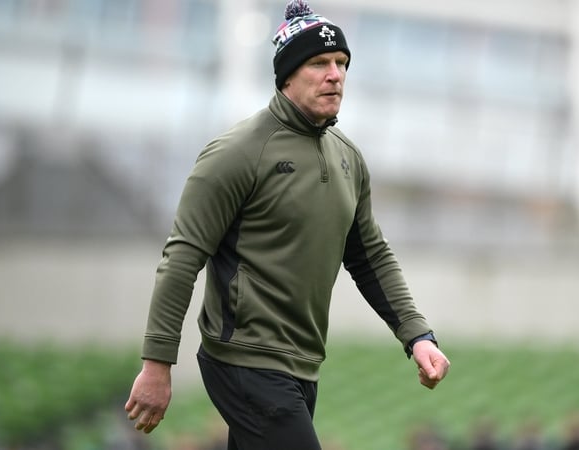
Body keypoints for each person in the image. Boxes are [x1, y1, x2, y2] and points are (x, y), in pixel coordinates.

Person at [123, 0, 451, 448]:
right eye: (319, 63)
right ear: (287, 76)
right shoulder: (236, 153)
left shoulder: (348, 158)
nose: (334, 73)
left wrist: (418, 336)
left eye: (341, 62)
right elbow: (181, 258)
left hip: (302, 365)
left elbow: (371, 256)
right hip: (243, 358)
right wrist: (157, 364)